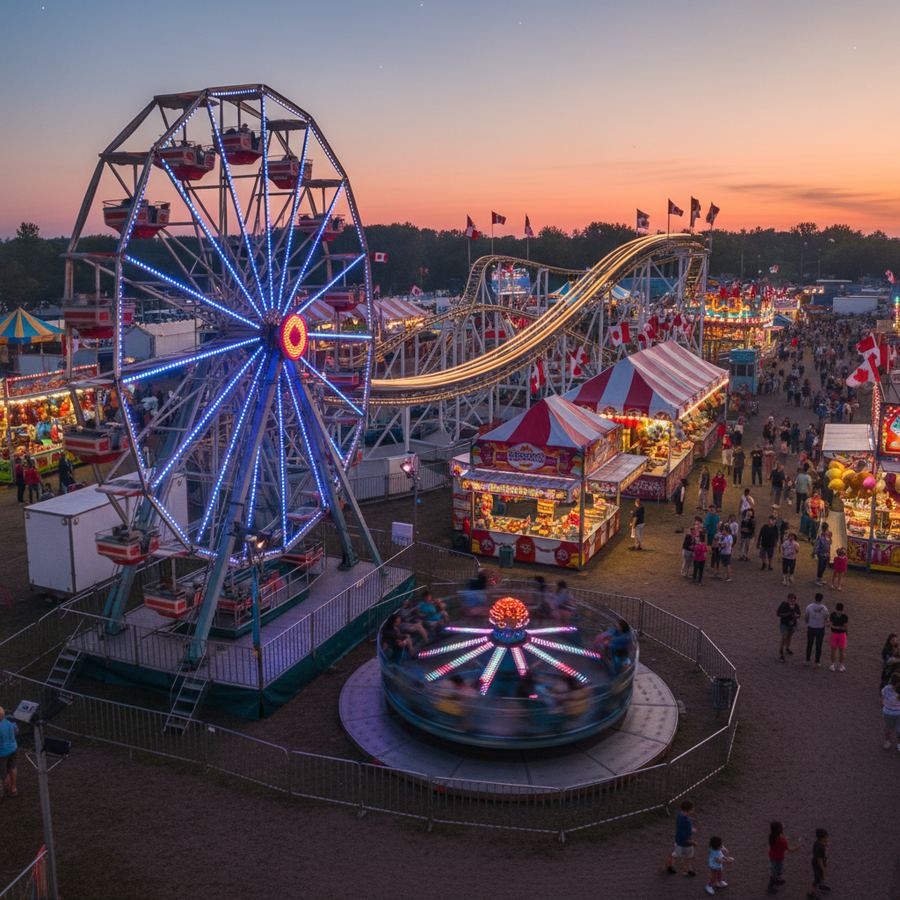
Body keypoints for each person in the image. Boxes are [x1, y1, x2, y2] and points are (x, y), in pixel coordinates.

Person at [767, 821, 802, 894]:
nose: (783, 826)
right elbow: (790, 850)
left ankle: (775, 879)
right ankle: (771, 885)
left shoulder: (772, 836)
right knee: (777, 870)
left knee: (774, 869)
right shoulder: (782, 841)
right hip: (778, 858)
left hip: (772, 856)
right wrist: (798, 847)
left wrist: (782, 832)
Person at [666, 799, 697, 876]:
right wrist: (693, 842)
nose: (693, 809)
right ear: (688, 810)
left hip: (678, 841)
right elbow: (684, 837)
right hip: (686, 843)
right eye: (692, 808)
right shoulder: (686, 821)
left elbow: (682, 827)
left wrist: (690, 828)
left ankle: (670, 866)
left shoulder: (680, 815)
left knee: (676, 854)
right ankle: (687, 871)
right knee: (688, 857)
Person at [804, 592, 829, 667]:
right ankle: (817, 661)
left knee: (809, 644)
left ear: (815, 598)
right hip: (820, 629)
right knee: (818, 645)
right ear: (821, 599)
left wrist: (808, 622)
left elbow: (806, 617)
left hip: (811, 627)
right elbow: (826, 618)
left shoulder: (809, 607)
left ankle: (807, 660)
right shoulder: (824, 608)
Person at [777, 593, 801, 661]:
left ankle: (787, 648)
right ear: (788, 599)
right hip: (784, 624)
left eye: (794, 600)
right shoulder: (784, 605)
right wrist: (788, 613)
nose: (792, 602)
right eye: (791, 600)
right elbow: (778, 613)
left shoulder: (796, 606)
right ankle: (781, 652)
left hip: (792, 624)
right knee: (784, 637)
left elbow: (799, 614)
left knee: (789, 636)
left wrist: (797, 616)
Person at [0, 706, 18, 798]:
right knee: (12, 767)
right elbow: (16, 731)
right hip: (13, 748)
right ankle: (13, 788)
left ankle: (3, 792)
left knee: (2, 774)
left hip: (2, 753)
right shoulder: (10, 719)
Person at [807, 828, 830, 899]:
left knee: (821, 876)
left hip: (815, 863)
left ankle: (821, 885)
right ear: (823, 838)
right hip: (818, 865)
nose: (828, 838)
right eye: (827, 837)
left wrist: (825, 844)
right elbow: (819, 860)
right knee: (817, 878)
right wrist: (823, 868)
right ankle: (811, 893)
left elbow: (814, 852)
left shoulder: (817, 842)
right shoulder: (821, 848)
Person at [882, 672, 900, 750]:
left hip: (894, 712)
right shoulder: (887, 689)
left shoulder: (886, 688)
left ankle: (892, 742)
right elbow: (882, 698)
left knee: (893, 728)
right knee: (889, 728)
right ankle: (891, 742)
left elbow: (882, 698)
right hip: (890, 712)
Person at [828, 602, 848, 672]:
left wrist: (835, 627)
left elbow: (831, 625)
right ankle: (841, 665)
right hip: (841, 635)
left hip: (834, 634)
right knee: (841, 651)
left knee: (834, 650)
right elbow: (845, 627)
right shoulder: (844, 616)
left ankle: (832, 665)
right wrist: (839, 627)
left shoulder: (833, 614)